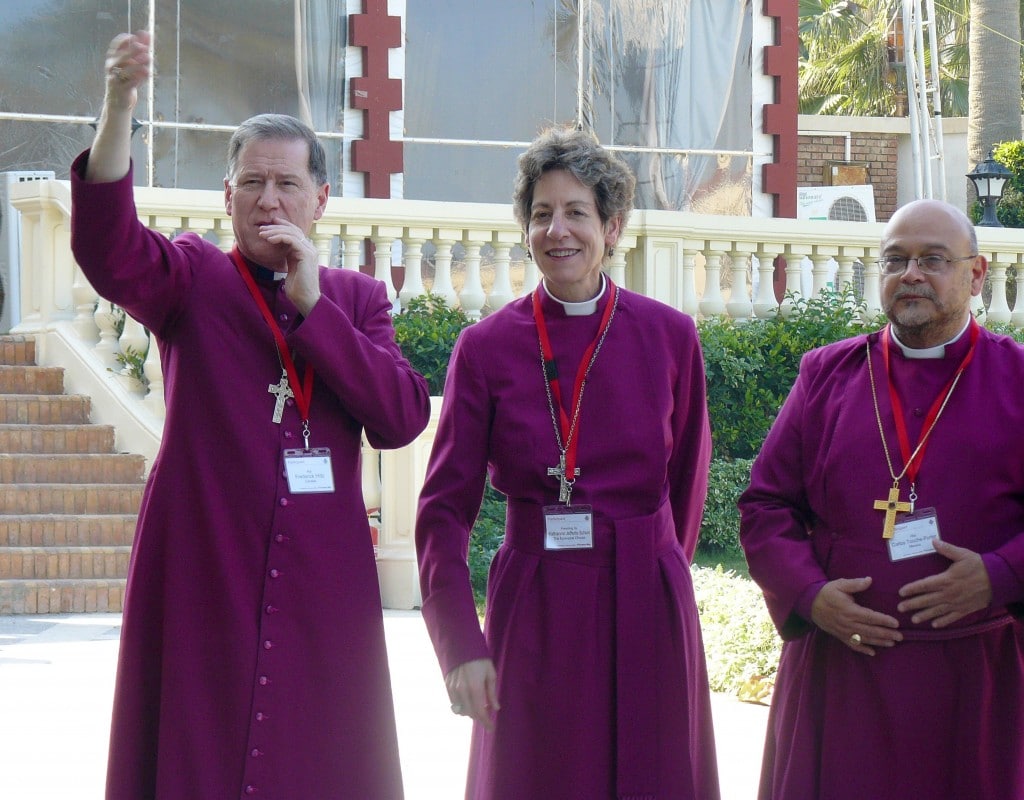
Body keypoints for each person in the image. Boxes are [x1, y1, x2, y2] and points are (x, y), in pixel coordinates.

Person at [71, 32, 430, 799]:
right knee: (197, 743)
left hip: (321, 574)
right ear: (225, 196)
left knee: (319, 750)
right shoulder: (193, 277)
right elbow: (108, 250)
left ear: (321, 199)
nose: (270, 200)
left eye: (288, 185)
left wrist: (315, 311)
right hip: (205, 561)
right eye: (252, 184)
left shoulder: (357, 299)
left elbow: (400, 416)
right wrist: (118, 109)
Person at [415, 125, 721, 800]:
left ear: (612, 228)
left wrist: (659, 571)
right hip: (535, 605)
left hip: (646, 597)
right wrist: (459, 642)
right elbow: (442, 510)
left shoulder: (670, 336)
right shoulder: (486, 347)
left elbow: (686, 484)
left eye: (577, 212)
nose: (559, 230)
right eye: (542, 213)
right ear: (526, 228)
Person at [739, 198, 1024, 799]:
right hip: (841, 673)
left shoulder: (1017, 379)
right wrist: (811, 596)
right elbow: (765, 505)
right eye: (895, 260)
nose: (911, 274)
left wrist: (1000, 575)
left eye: (933, 259)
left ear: (976, 274)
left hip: (976, 675)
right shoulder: (828, 374)